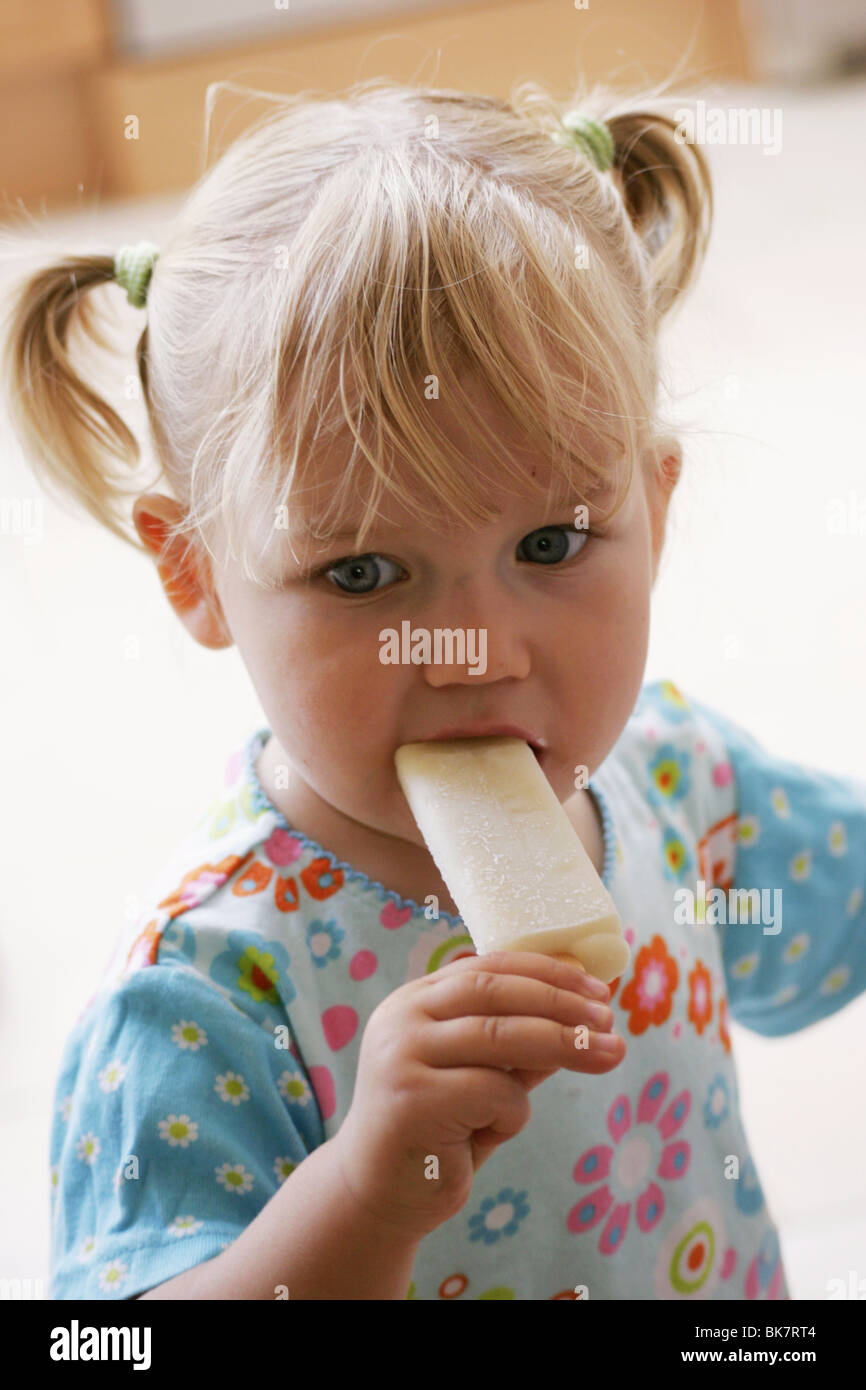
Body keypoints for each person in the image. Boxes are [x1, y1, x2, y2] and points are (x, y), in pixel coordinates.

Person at [4, 77, 863, 1301]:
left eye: (550, 548)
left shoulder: (682, 785)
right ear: (191, 570)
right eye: (362, 572)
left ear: (653, 512)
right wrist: (360, 1192)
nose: (471, 651)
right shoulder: (205, 993)